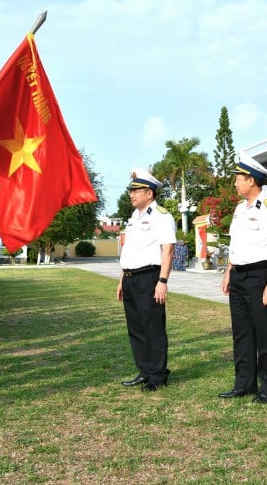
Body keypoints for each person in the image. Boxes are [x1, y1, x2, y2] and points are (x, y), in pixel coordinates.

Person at [219, 152, 267, 403]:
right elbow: (235, 245)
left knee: (264, 333)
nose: (235, 182)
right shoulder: (239, 209)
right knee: (241, 332)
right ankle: (244, 383)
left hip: (260, 275)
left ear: (251, 180)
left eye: (238, 177)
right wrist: (228, 272)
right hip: (238, 276)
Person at [117, 168, 176, 392]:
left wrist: (162, 281)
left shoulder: (161, 216)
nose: (131, 194)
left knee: (153, 327)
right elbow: (129, 251)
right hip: (131, 278)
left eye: (136, 190)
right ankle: (145, 371)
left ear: (149, 193)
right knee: (137, 328)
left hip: (149, 277)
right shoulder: (134, 217)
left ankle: (158, 375)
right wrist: (122, 279)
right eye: (130, 190)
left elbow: (168, 250)